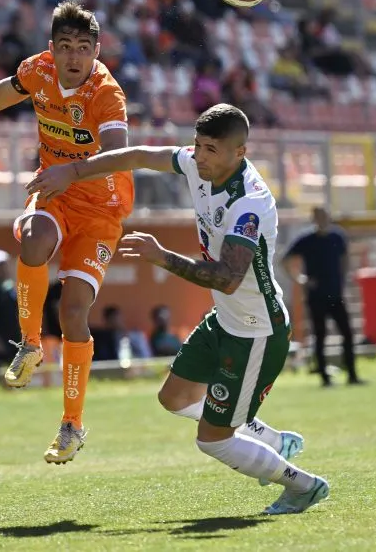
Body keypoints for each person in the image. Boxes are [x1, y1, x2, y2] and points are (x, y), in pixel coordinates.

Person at [27, 104, 330, 515]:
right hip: (226, 319)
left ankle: (303, 485)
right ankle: (271, 442)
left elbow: (228, 278)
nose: (199, 156)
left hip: (257, 333)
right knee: (172, 397)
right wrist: (74, 172)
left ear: (238, 153)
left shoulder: (250, 204)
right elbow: (136, 156)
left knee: (213, 439)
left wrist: (162, 256)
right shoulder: (196, 164)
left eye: (210, 150)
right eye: (197, 146)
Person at [0, 0, 135, 463]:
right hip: (56, 193)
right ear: (52, 49)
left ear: (97, 50)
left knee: (75, 313)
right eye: (65, 47)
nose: (74, 57)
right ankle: (31, 344)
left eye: (83, 47)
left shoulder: (106, 94)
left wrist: (72, 173)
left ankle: (72, 425)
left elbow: (121, 156)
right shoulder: (37, 72)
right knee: (35, 239)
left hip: (102, 209)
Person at [282, 207, 362, 387]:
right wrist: (300, 280)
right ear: (314, 219)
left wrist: (344, 278)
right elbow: (284, 260)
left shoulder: (337, 237)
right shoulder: (307, 240)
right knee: (320, 335)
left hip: (335, 293)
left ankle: (352, 374)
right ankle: (324, 378)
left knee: (347, 333)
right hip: (316, 295)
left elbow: (344, 258)